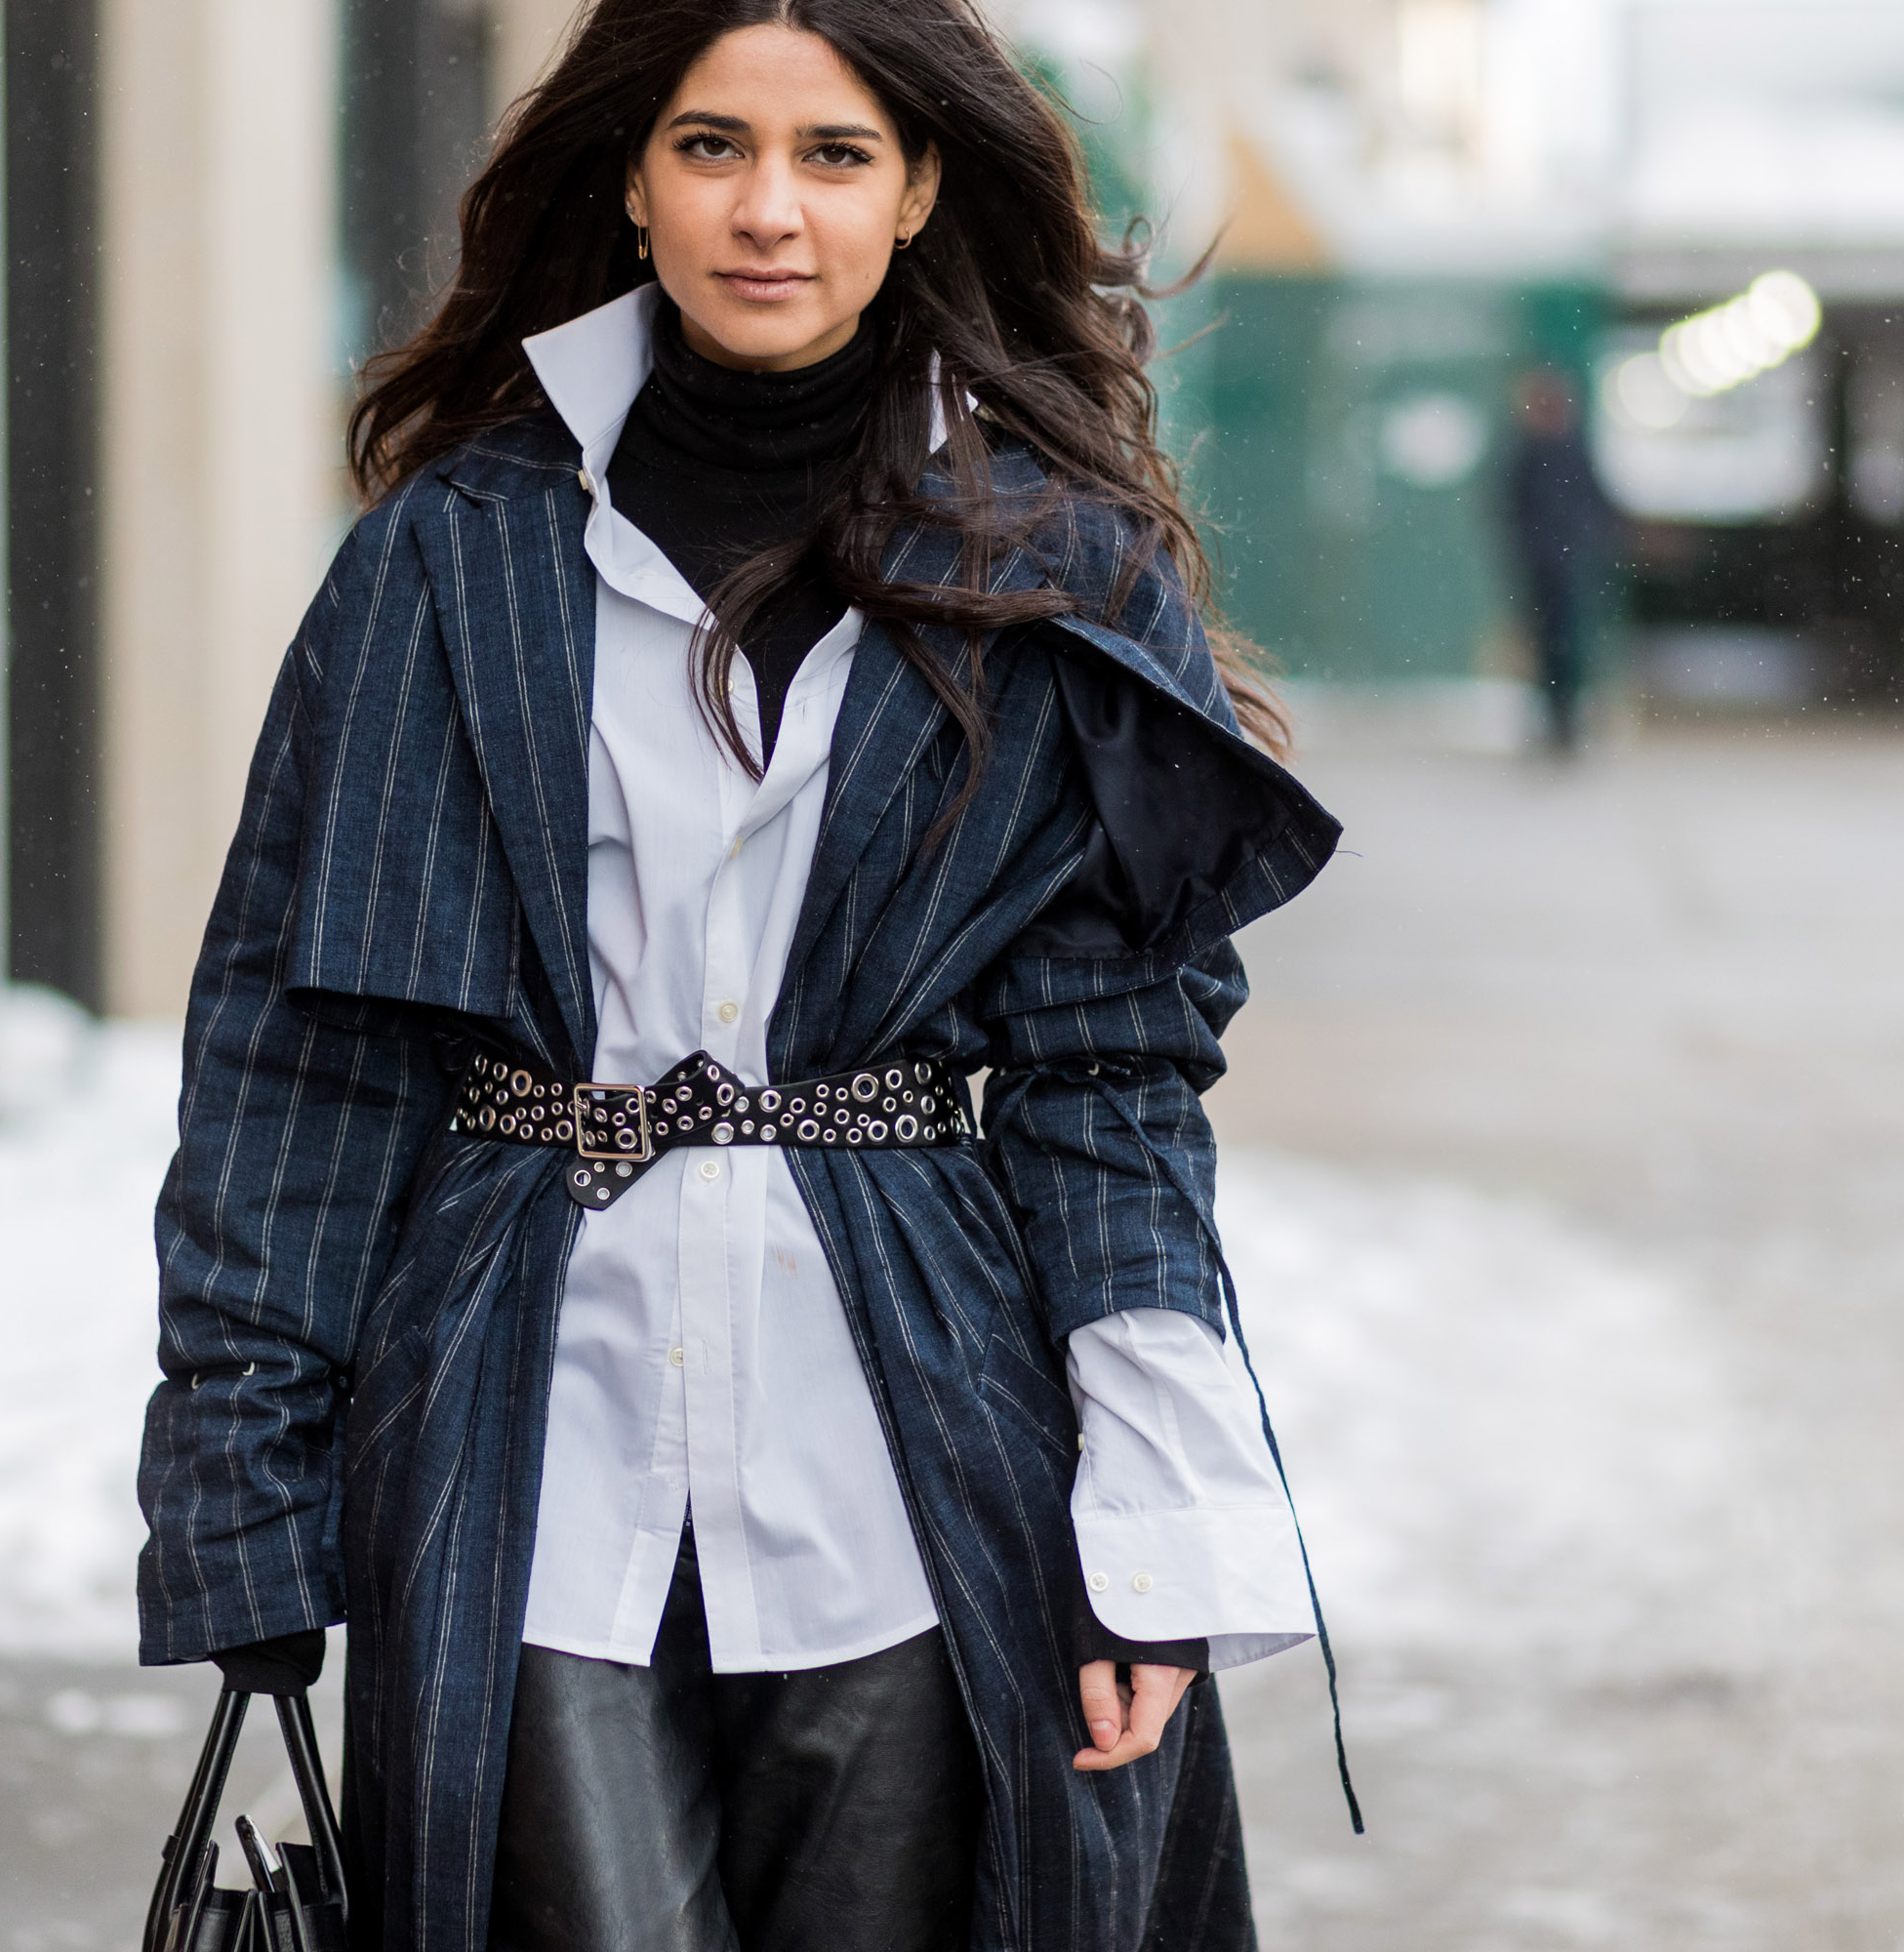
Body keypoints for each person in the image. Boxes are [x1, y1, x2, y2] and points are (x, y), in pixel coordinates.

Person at [132, 0, 1350, 1945]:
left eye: (832, 155)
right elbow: (294, 1049)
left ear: (921, 185)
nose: (765, 208)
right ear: (632, 177)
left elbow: (1111, 1078)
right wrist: (245, 1497)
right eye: (712, 147)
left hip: (915, 1444)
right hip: (523, 1440)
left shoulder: (1055, 566)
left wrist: (1151, 1529)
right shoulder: (454, 556)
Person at [1501, 368, 1612, 755]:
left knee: (1564, 645)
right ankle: (1555, 719)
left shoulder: (1564, 450)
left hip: (1565, 565)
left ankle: (1565, 720)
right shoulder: (1532, 452)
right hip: (1543, 566)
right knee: (1550, 646)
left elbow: (1591, 500)